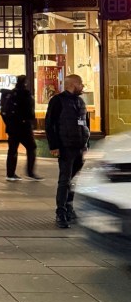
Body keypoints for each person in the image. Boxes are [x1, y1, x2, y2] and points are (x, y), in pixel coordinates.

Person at [45, 73, 90, 228]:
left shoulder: (80, 102)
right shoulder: (57, 101)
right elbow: (49, 124)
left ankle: (69, 207)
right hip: (66, 147)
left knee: (74, 180)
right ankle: (61, 212)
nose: (82, 86)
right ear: (73, 84)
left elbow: (85, 124)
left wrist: (86, 145)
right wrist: (54, 146)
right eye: (81, 83)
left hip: (79, 146)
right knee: (65, 180)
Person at [2, 75, 42, 182]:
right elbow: (29, 111)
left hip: (12, 127)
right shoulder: (25, 94)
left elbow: (4, 112)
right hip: (24, 127)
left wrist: (9, 124)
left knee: (12, 149)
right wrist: (30, 121)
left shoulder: (10, 94)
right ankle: (30, 172)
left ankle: (10, 174)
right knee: (31, 147)